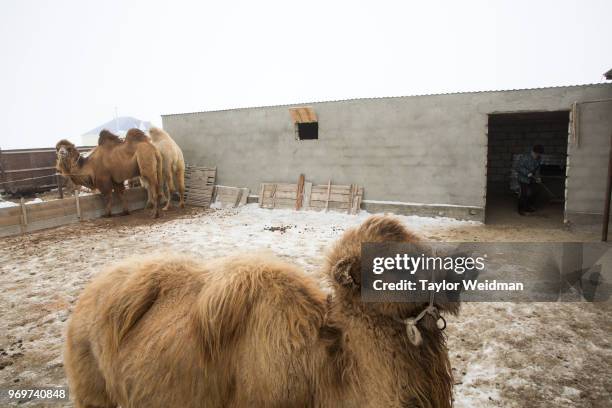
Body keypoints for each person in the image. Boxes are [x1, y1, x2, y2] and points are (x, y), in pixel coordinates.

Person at [516, 145, 544, 215]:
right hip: (523, 178)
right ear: (532, 152)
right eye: (536, 154)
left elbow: (537, 169)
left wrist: (538, 177)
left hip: (532, 179)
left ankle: (528, 207)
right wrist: (527, 173)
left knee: (536, 191)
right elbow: (518, 167)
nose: (537, 156)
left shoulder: (539, 158)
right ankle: (521, 210)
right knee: (524, 194)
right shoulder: (525, 157)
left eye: (538, 154)